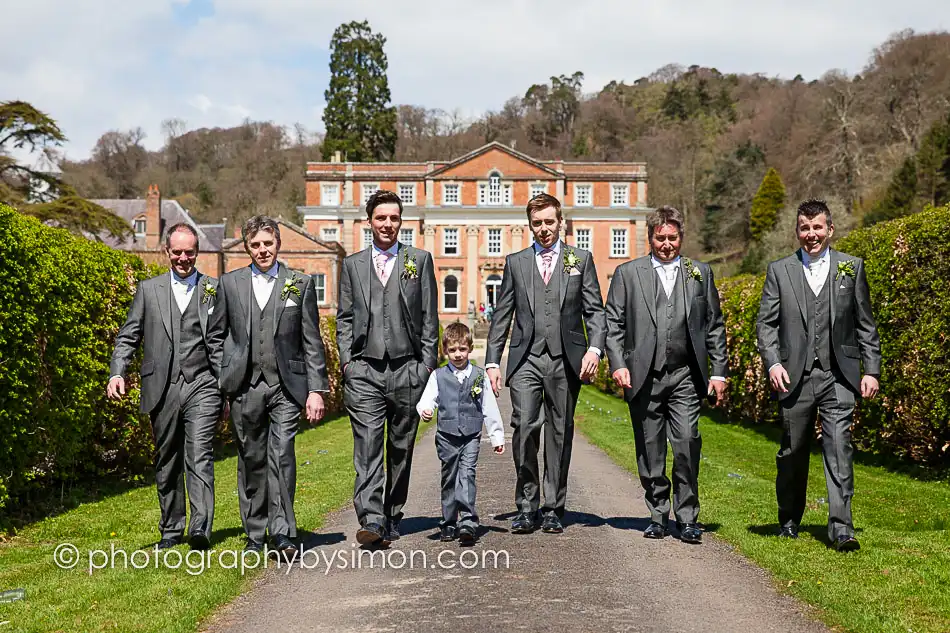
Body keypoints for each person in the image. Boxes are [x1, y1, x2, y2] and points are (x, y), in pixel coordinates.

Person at [756, 199, 881, 552]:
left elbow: (865, 326)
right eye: (805, 229)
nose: (811, 235)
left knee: (839, 448)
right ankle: (790, 519)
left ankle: (842, 528)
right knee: (792, 452)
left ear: (830, 229)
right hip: (794, 375)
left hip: (839, 375)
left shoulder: (850, 268)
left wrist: (870, 370)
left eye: (817, 228)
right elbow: (765, 325)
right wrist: (773, 363)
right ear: (797, 231)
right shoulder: (779, 271)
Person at [604, 206, 727, 545]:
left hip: (686, 375)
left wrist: (719, 373)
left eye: (673, 238)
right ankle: (658, 514)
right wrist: (617, 363)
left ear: (681, 238)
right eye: (661, 238)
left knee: (687, 442)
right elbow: (612, 323)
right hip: (644, 375)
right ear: (650, 238)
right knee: (650, 449)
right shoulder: (628, 274)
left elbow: (714, 326)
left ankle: (687, 517)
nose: (667, 244)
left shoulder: (700, 273)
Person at [207, 215, 328, 560]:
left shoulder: (299, 284)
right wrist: (225, 373)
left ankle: (284, 534)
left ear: (278, 244)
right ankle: (254, 532)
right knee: (251, 459)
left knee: (282, 457)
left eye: (268, 243)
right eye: (256, 245)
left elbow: (312, 341)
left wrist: (316, 389)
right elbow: (215, 336)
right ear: (247, 247)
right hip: (245, 387)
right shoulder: (230, 284)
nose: (263, 250)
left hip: (286, 387)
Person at [485, 193, 606, 534]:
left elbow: (595, 311)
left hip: (566, 359)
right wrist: (493, 361)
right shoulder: (516, 262)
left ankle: (553, 507)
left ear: (560, 222)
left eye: (549, 222)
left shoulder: (580, 259)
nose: (543, 229)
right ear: (530, 226)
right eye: (537, 223)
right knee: (524, 427)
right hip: (526, 359)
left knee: (559, 431)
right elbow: (502, 316)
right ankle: (526, 505)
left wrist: (595, 350)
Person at [107, 223, 223, 551]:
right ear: (167, 251)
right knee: (167, 458)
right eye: (177, 252)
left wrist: (227, 386)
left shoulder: (214, 289)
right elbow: (128, 335)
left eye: (190, 252)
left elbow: (225, 342)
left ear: (197, 252)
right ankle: (171, 529)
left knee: (200, 455)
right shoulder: (148, 290)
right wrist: (117, 372)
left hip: (203, 384)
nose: (183, 258)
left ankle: (200, 529)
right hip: (162, 386)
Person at [336, 189, 439, 546]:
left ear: (401, 222)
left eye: (394, 218)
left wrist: (426, 367)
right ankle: (371, 520)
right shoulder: (352, 265)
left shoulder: (419, 261)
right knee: (366, 448)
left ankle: (393, 510)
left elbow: (430, 319)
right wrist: (347, 362)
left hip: (408, 369)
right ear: (369, 222)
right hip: (364, 370)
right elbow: (344, 318)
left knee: (400, 448)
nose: (387, 224)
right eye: (381, 218)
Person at [417, 322, 505, 545]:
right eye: (453, 350)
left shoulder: (478, 376)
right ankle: (448, 522)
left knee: (467, 475)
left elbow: (489, 407)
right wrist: (425, 410)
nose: (458, 355)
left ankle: (468, 522)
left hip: (471, 436)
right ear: (446, 351)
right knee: (449, 478)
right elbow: (428, 399)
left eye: (462, 349)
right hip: (446, 436)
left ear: (470, 349)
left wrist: (496, 436)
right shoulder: (438, 376)